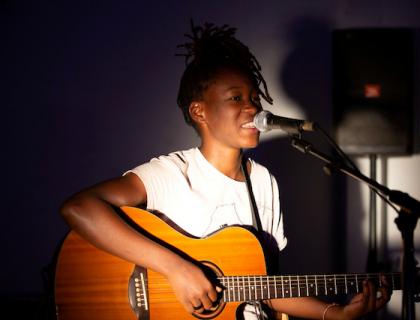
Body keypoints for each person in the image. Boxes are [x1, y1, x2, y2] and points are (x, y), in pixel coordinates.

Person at [60, 21, 390, 319]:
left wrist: (337, 313)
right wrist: (176, 268)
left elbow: (264, 288)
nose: (252, 108)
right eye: (236, 98)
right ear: (199, 111)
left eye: (254, 98)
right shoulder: (171, 174)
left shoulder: (264, 183)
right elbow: (78, 208)